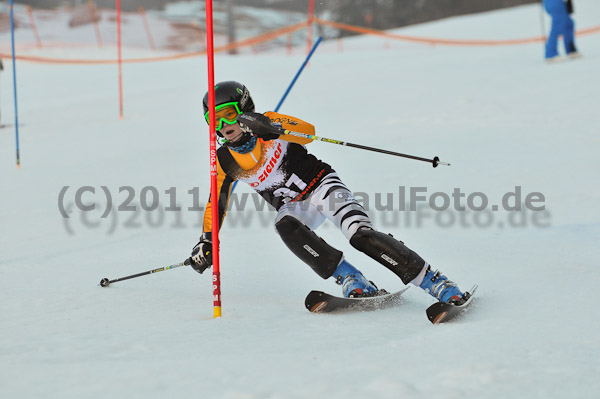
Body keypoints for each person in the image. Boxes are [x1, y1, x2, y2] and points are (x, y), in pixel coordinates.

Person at [189, 81, 469, 304]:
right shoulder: (225, 160)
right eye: (215, 121)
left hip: (323, 186)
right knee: (285, 225)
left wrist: (272, 128)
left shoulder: (268, 124)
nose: (225, 127)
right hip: (296, 207)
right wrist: (207, 240)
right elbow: (218, 202)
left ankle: (434, 281)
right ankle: (350, 278)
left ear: (245, 109)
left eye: (228, 115)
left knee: (361, 236)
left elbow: (308, 133)